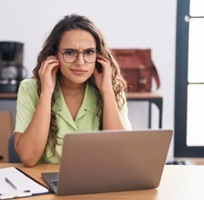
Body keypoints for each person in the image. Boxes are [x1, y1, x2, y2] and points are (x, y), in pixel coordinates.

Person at [14, 14, 132, 167]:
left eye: (89, 52)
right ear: (54, 54)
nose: (80, 62)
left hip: (100, 181)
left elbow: (120, 156)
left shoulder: (112, 87)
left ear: (98, 55)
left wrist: (107, 91)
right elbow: (28, 157)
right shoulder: (30, 88)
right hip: (47, 182)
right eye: (70, 52)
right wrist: (46, 93)